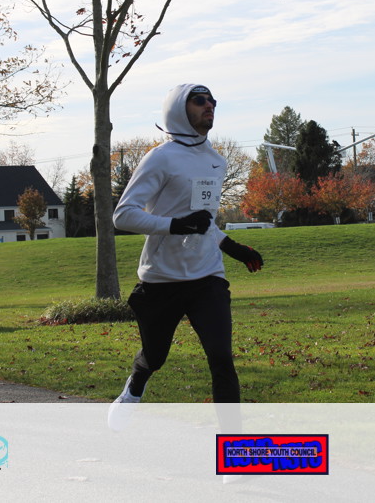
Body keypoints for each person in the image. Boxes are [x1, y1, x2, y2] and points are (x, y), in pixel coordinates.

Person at [109, 84, 263, 427]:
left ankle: (232, 446)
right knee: (155, 356)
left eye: (212, 100)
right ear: (178, 109)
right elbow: (123, 216)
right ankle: (135, 385)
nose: (210, 105)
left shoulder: (216, 161)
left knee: (221, 358)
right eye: (199, 100)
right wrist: (174, 226)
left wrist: (230, 246)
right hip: (161, 279)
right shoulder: (160, 158)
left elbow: (202, 221)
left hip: (207, 277)